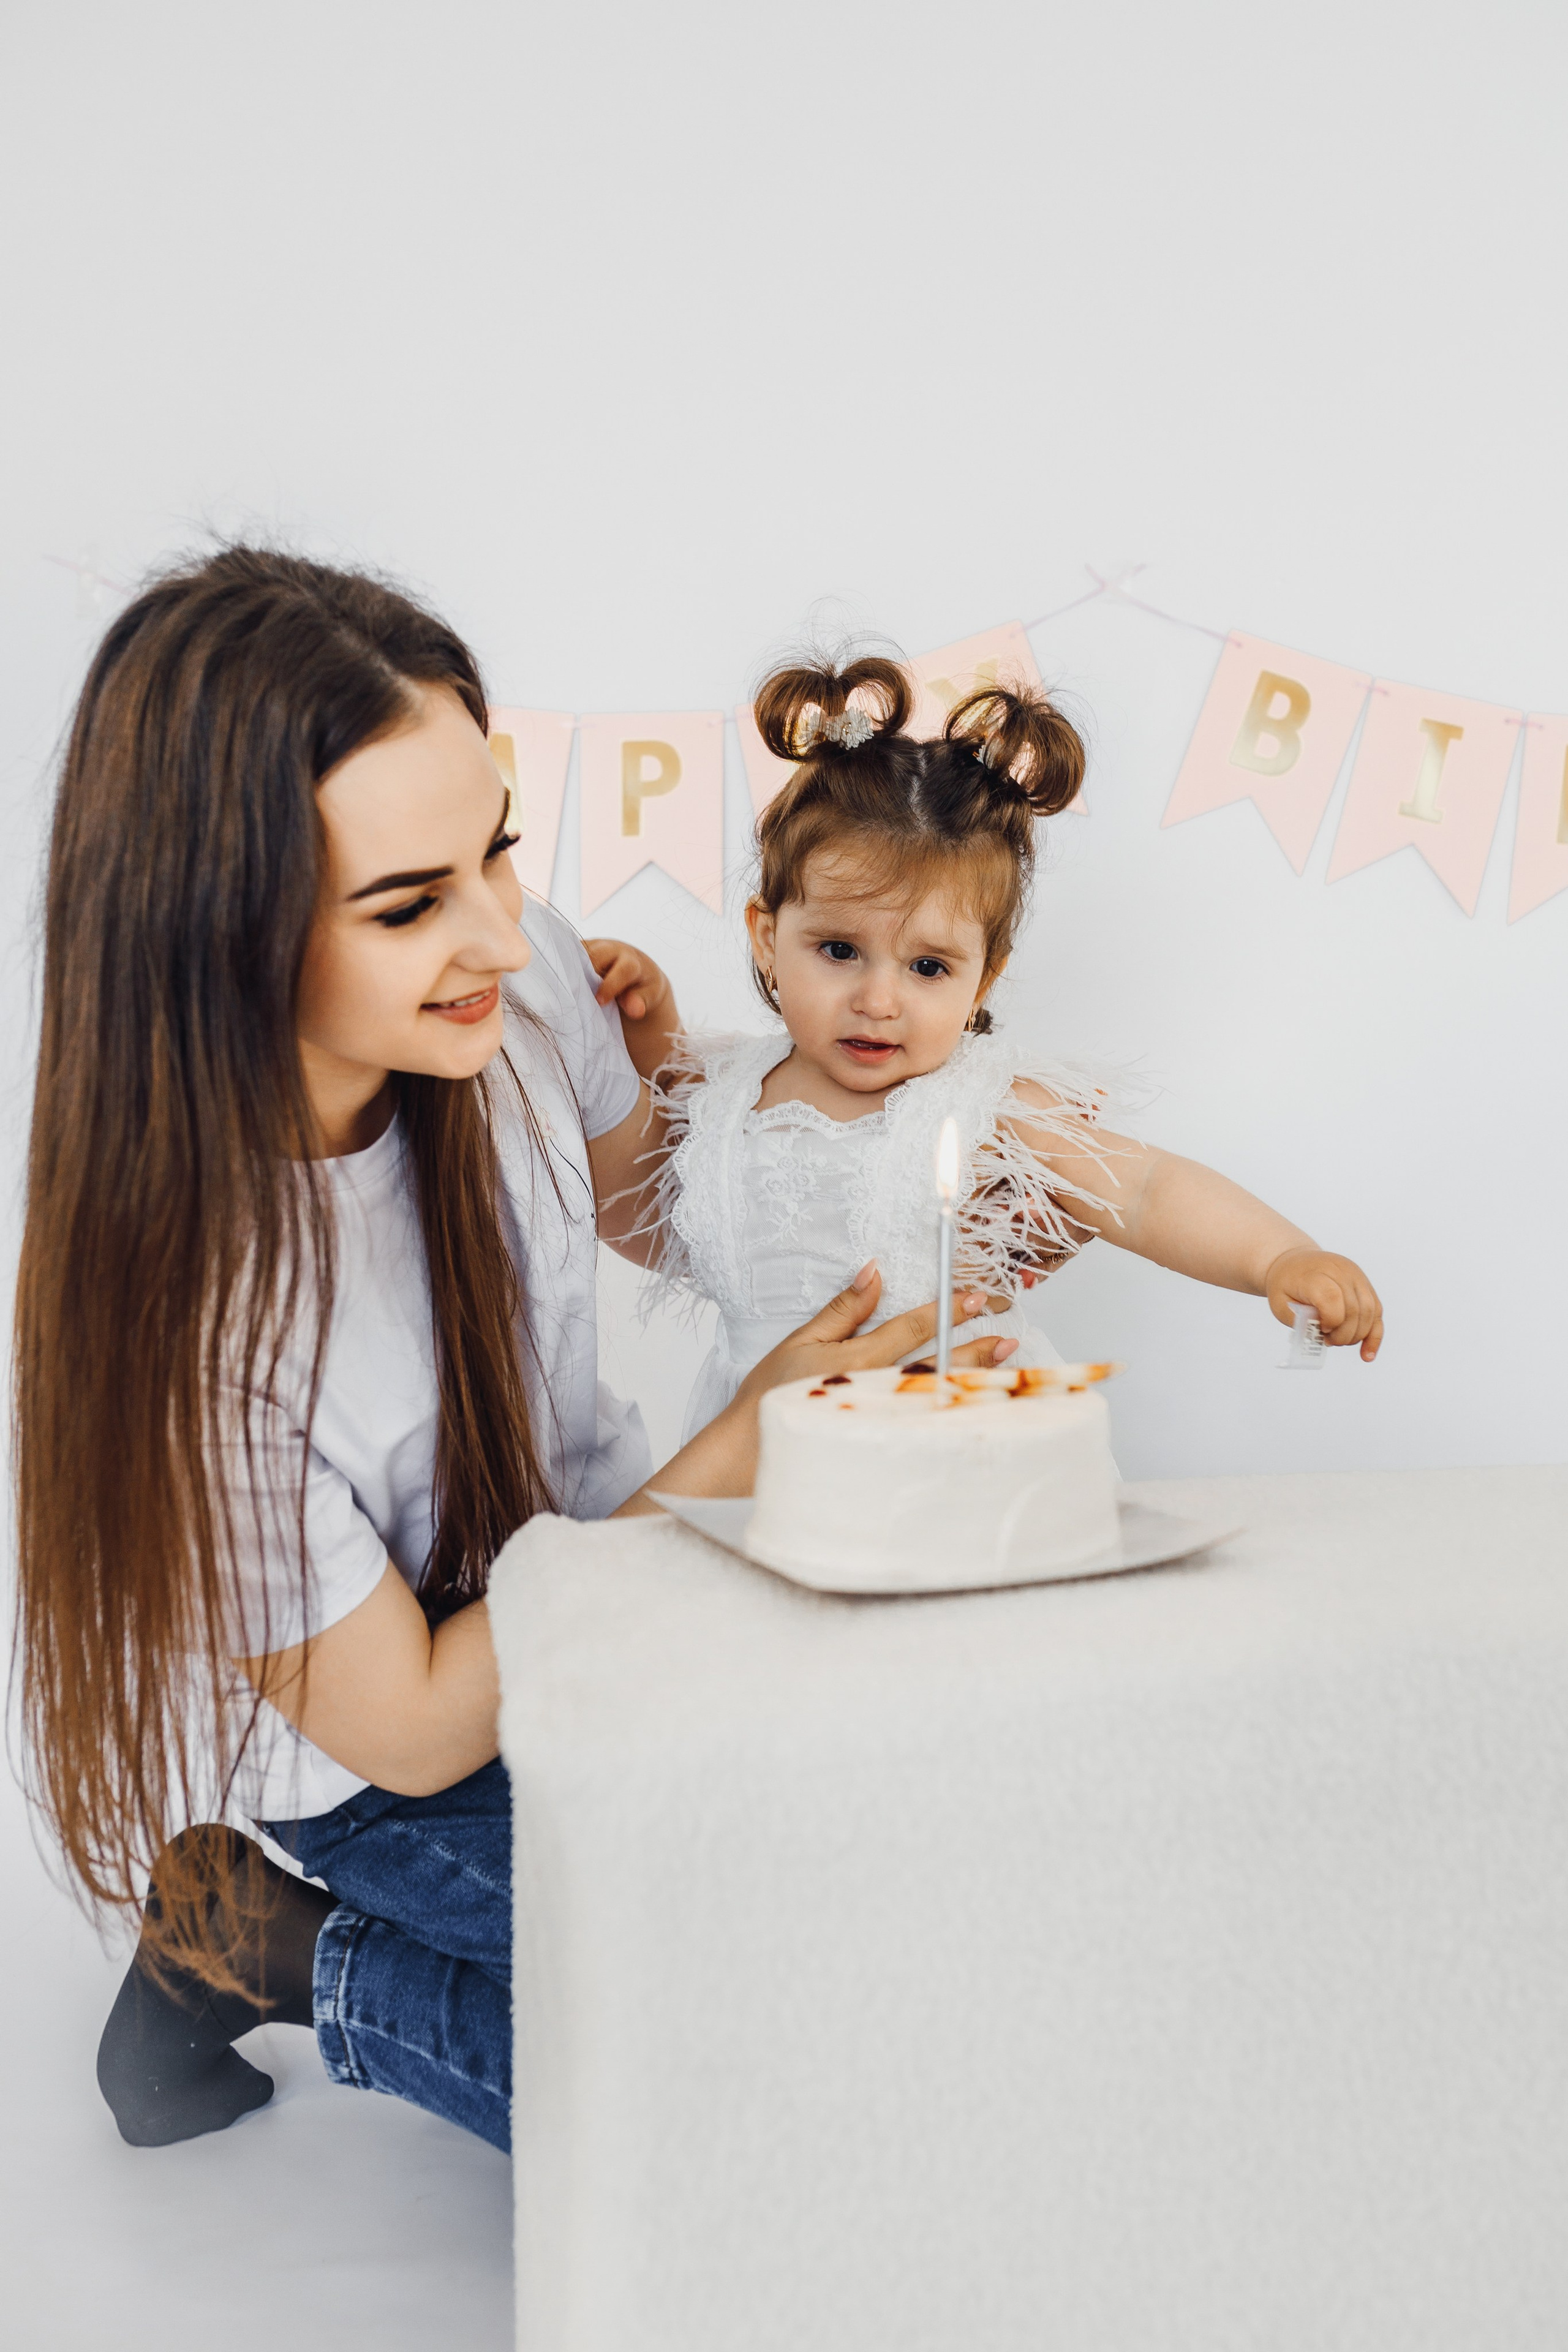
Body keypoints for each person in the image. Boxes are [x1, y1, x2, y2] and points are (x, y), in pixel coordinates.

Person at [12, 556, 1011, 2154]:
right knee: (728, 2083)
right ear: (220, 937)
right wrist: (742, 1442)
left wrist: (663, 1067)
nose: (499, 930)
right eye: (412, 905)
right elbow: (413, 1724)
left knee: (872, 1940)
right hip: (389, 1750)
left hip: (591, 1591)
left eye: (495, 853)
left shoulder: (513, 974)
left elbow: (617, 1205)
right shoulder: (199, 1329)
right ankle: (258, 1937)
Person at [584, 655, 1384, 1441]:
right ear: (767, 937)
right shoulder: (728, 1091)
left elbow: (1143, 1192)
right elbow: (655, 1150)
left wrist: (1280, 1258)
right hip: (756, 1445)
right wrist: (645, 1012)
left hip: (949, 1442)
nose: (879, 999)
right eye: (838, 951)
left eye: (928, 967)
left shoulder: (980, 1105)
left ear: (984, 980)